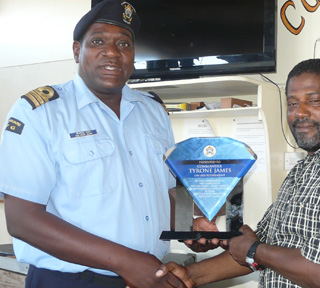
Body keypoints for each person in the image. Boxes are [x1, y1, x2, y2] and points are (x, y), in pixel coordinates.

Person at [0, 1, 216, 287]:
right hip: (69, 281)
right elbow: (22, 220)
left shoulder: (153, 111)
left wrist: (187, 227)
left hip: (150, 275)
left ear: (133, 54)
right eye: (98, 41)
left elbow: (167, 191)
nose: (113, 52)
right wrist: (128, 262)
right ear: (78, 51)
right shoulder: (40, 112)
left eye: (124, 44)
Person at [156, 58, 320, 287]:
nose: (300, 112)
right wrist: (190, 275)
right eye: (292, 103)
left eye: (313, 101)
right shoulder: (302, 170)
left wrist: (253, 250)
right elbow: (264, 247)